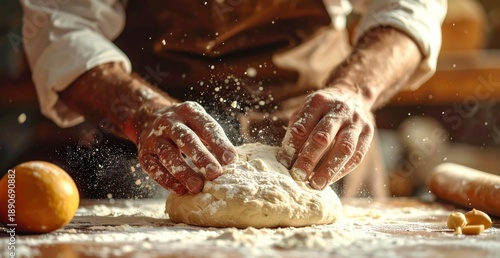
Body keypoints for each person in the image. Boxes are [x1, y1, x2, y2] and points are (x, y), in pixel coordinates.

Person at [20, 0, 446, 196]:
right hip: (152, 148)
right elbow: (61, 23)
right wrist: (145, 115)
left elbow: (409, 8)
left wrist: (355, 90)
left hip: (320, 140)